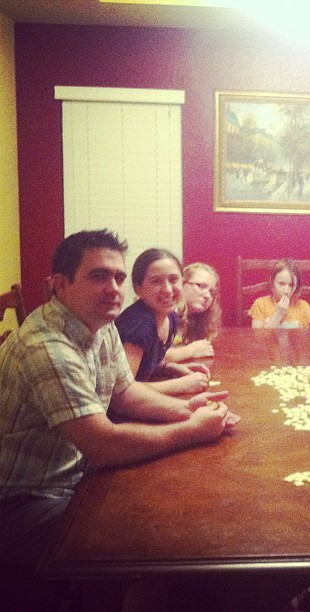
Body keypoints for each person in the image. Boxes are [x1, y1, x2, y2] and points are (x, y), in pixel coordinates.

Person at [0, 230, 239, 574]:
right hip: (25, 506)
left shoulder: (99, 323)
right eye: (98, 275)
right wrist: (191, 431)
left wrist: (187, 409)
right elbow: (104, 446)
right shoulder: (48, 350)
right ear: (60, 284)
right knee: (162, 536)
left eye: (118, 277)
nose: (113, 288)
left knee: (171, 503)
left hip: (76, 474)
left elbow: (124, 392)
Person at [115, 249, 211, 396]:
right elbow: (122, 391)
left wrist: (169, 368)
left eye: (173, 279)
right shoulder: (140, 325)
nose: (167, 289)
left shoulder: (171, 316)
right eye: (156, 281)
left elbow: (147, 360)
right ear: (138, 288)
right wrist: (181, 385)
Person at [165, 262, 221, 362]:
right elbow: (151, 357)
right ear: (181, 284)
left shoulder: (199, 319)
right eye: (201, 286)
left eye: (212, 292)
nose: (208, 296)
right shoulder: (166, 313)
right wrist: (190, 350)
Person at [249, 259, 310, 329]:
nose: (286, 291)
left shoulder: (303, 307)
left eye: (291, 285)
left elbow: (306, 338)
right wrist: (278, 314)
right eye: (282, 284)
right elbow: (258, 338)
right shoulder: (260, 304)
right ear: (271, 281)